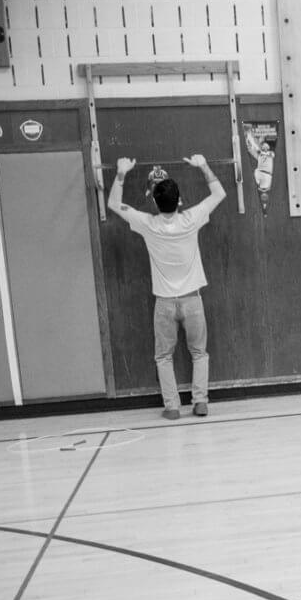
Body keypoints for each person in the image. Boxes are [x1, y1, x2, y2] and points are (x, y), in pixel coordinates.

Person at [107, 154, 227, 420]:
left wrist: (121, 172)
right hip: (192, 300)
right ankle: (201, 402)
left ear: (155, 201)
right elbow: (219, 193)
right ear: (180, 200)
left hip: (164, 303)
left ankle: (172, 407)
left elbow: (114, 203)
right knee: (199, 353)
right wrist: (203, 165)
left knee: (163, 357)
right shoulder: (192, 218)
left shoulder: (147, 224)